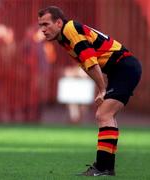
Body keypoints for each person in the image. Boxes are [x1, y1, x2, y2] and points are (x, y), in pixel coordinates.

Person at [38, 6, 142, 176]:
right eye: (40, 25)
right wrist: (102, 87)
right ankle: (105, 166)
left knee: (104, 115)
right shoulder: (63, 38)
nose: (42, 29)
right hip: (121, 69)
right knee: (105, 115)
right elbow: (87, 65)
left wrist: (102, 89)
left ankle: (103, 167)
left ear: (58, 22)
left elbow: (91, 62)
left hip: (125, 68)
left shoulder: (70, 29)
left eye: (46, 24)